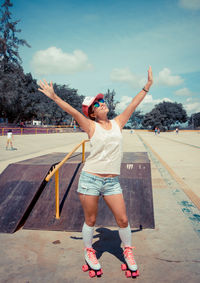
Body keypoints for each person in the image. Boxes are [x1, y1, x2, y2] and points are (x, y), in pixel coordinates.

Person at [38, 66, 153, 274]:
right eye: (97, 104)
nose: (102, 104)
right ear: (92, 112)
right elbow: (72, 111)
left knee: (123, 220)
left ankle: (127, 250)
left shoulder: (119, 123)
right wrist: (54, 97)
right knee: (91, 220)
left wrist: (146, 87)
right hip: (90, 179)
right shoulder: (91, 126)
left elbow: (133, 105)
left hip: (111, 182)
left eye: (102, 101)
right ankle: (89, 250)